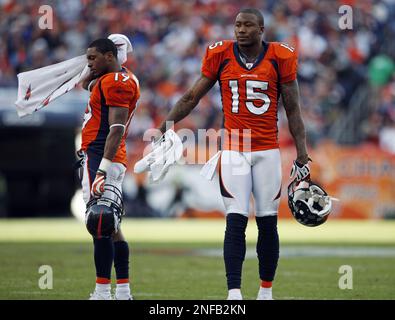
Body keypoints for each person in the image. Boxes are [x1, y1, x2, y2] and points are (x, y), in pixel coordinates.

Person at [156, 8, 310, 300]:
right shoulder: (221, 54)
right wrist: (163, 127)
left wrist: (303, 153)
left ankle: (266, 292)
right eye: (237, 25)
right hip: (234, 151)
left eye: (248, 25)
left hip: (267, 150)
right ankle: (234, 292)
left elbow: (293, 109)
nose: (240, 30)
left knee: (267, 221)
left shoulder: (280, 56)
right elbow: (192, 96)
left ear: (261, 29)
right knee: (235, 220)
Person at [78, 38, 140, 300]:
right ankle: (123, 291)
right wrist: (97, 64)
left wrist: (101, 168)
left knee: (99, 221)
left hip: (101, 154)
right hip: (108, 155)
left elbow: (116, 128)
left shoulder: (115, 81)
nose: (89, 64)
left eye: (93, 58)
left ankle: (103, 291)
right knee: (110, 224)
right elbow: (84, 83)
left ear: (109, 56)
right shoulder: (116, 79)